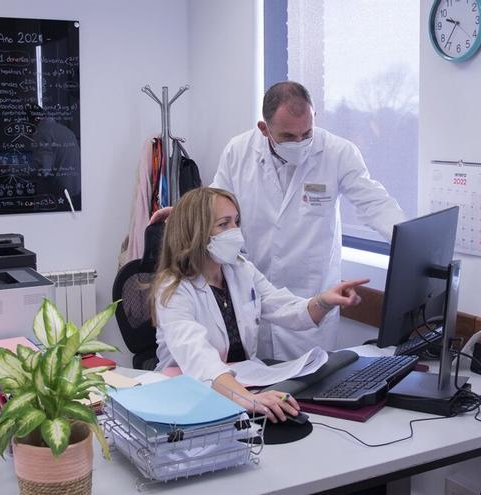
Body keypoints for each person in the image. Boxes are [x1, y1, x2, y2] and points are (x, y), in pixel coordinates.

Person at [210, 81, 406, 361]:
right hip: (256, 301)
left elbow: (374, 203)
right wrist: (185, 215)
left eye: (307, 133)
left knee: (312, 392)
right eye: (288, 136)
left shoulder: (338, 153)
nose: (300, 143)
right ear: (264, 129)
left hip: (313, 304)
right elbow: (214, 204)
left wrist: (408, 241)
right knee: (259, 391)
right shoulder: (238, 152)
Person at [151, 187, 368, 422]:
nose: (235, 232)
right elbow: (198, 358)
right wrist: (248, 399)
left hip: (242, 381)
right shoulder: (173, 288)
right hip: (188, 392)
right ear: (197, 232)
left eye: (236, 222)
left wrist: (324, 301)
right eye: (224, 224)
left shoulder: (240, 269)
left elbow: (285, 309)